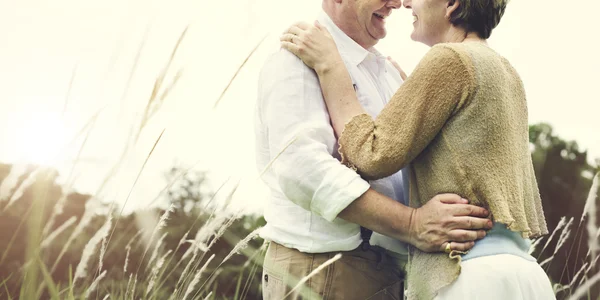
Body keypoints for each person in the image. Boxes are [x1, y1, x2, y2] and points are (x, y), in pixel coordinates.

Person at [279, 0, 556, 299]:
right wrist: (411, 90)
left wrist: (330, 66)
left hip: (469, 274)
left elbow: (372, 153)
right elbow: (463, 148)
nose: (407, 2)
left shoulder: (448, 59)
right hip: (524, 275)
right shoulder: (504, 70)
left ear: (451, 4)